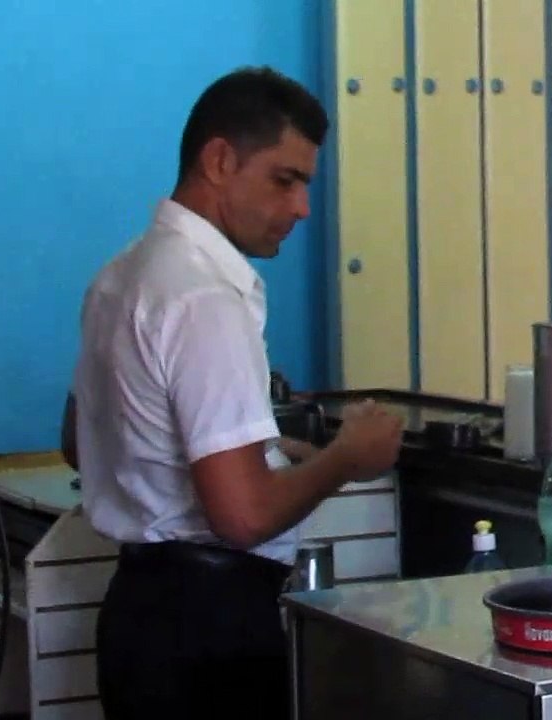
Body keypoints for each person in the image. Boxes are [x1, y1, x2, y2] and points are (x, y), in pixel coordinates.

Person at [67, 67, 404, 720]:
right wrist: (347, 456)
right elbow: (242, 517)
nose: (304, 207)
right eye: (286, 179)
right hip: (209, 634)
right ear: (219, 160)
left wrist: (262, 451)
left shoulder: (121, 276)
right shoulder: (203, 298)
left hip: (137, 620)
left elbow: (82, 442)